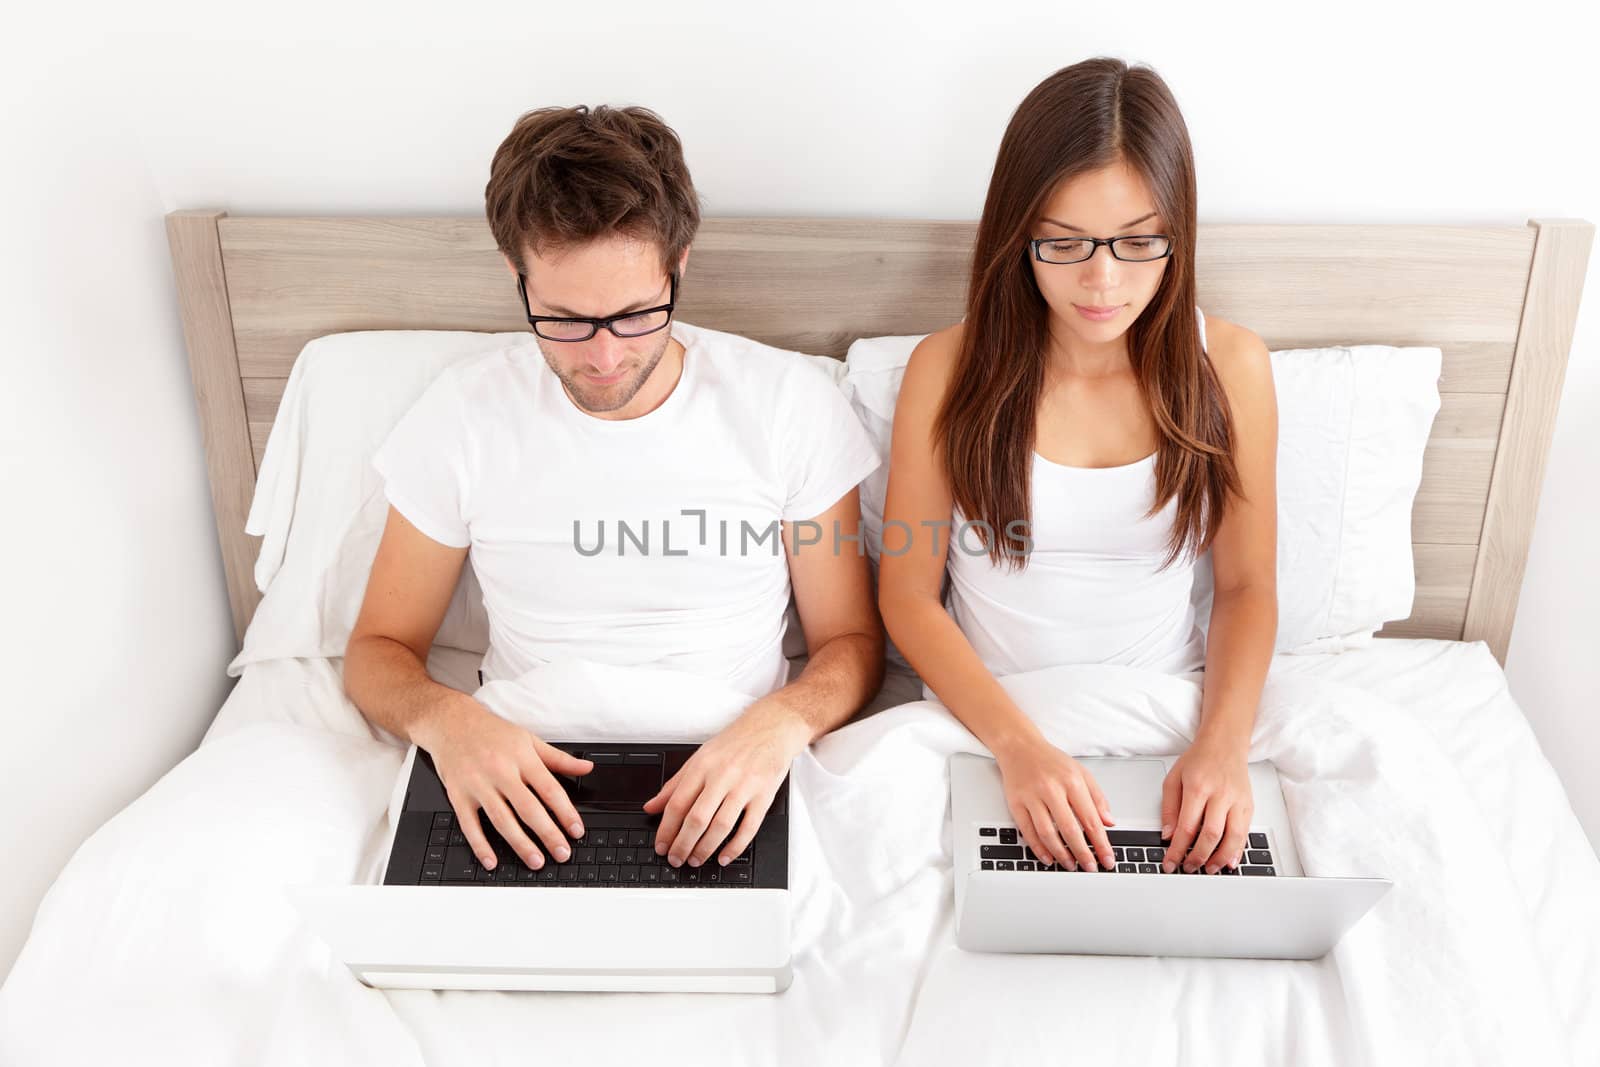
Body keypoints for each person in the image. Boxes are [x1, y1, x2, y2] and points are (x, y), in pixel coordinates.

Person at [344, 104, 885, 878]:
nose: (602, 356)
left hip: (729, 759)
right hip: (520, 760)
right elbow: (376, 650)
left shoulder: (785, 404)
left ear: (680, 265)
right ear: (517, 275)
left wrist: (779, 726)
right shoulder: (464, 415)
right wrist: (448, 722)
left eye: (635, 315)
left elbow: (852, 645)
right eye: (563, 319)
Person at [878, 58, 1278, 878]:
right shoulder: (946, 369)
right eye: (1064, 244)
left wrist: (1222, 746)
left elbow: (1246, 588)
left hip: (1163, 724)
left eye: (1138, 243)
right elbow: (908, 596)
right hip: (989, 726)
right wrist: (1020, 749)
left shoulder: (1230, 366)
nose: (1103, 282)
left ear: (1180, 232)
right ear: (1017, 234)